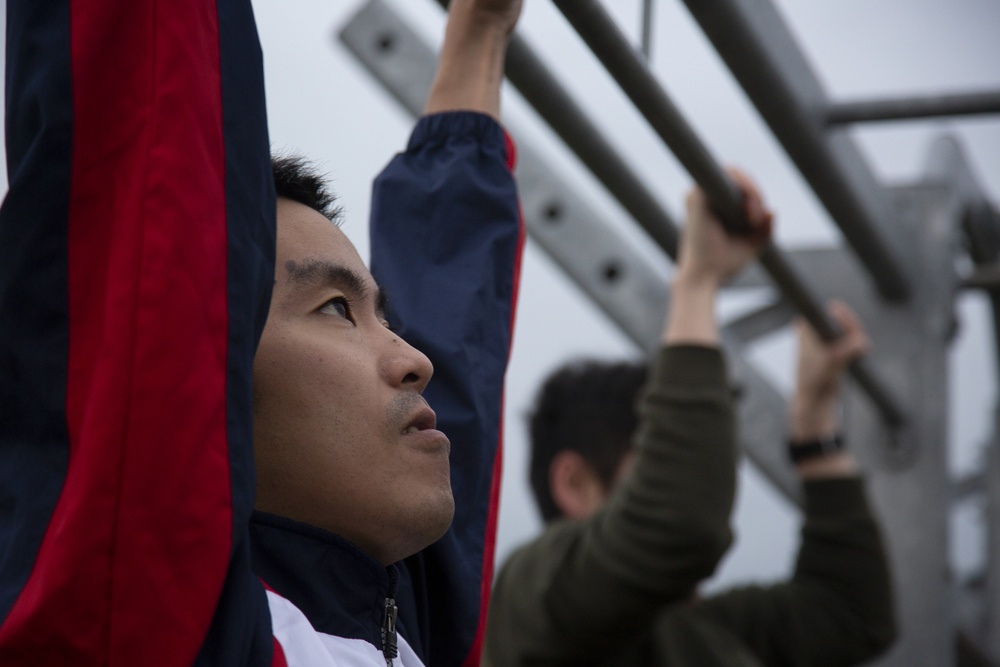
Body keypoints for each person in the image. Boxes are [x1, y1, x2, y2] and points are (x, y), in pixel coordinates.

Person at [0, 0, 522, 665]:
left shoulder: (416, 629)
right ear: (214, 382)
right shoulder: (168, 626)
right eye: (336, 308)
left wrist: (480, 32)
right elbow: (150, 155)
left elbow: (457, 319)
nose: (415, 358)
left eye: (386, 317)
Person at [484, 179, 897, 664]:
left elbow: (850, 614)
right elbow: (681, 522)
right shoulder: (536, 599)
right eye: (653, 463)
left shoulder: (702, 630)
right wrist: (698, 280)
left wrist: (812, 428)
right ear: (575, 484)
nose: (707, 488)